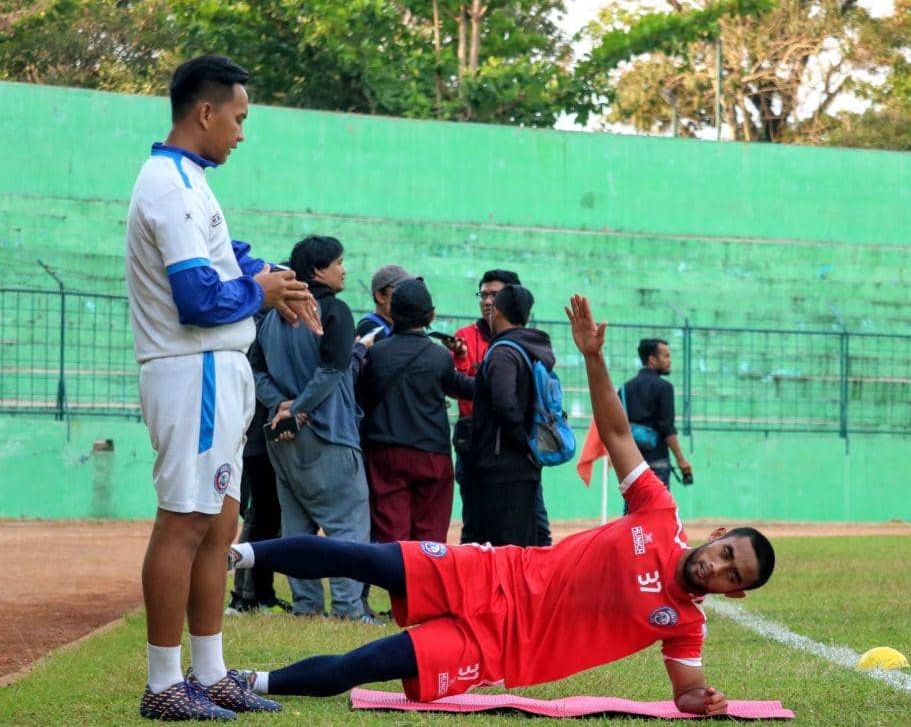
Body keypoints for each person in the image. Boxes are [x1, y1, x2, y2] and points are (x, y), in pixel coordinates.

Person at [226, 294, 775, 716]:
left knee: (366, 663)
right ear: (718, 533)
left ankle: (249, 682)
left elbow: (686, 691)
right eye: (727, 553)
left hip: (495, 645)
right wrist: (594, 357)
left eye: (732, 576)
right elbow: (615, 431)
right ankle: (238, 556)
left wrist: (701, 700)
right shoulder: (659, 515)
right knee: (361, 559)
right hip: (490, 572)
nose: (719, 568)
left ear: (737, 593)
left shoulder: (684, 625)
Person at [126, 55, 320, 720]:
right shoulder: (167, 185)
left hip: (220, 370)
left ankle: (208, 674)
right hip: (194, 368)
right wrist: (260, 291)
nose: (242, 131)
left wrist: (276, 280)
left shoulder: (192, 180)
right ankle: (163, 684)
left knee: (219, 525)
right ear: (204, 113)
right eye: (238, 118)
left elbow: (225, 258)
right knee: (185, 522)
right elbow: (196, 296)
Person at [249, 235, 373, 622]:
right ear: (320, 269)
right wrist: (299, 409)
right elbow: (333, 370)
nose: (344, 269)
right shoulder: (333, 309)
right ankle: (349, 610)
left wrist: (280, 406)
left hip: (281, 439)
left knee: (296, 527)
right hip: (329, 434)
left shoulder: (271, 316)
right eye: (339, 262)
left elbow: (255, 369)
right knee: (348, 525)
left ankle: (306, 607)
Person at [358, 279, 475, 543]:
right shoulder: (440, 356)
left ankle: (398, 584)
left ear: (392, 312)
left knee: (392, 536)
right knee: (430, 537)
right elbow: (461, 387)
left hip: (386, 453)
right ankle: (424, 584)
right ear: (430, 315)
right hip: (432, 454)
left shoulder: (375, 353)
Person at [451, 269, 552, 546]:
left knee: (495, 537)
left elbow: (504, 403)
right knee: (519, 532)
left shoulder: (504, 350)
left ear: (505, 306)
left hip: (502, 456)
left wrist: (523, 443)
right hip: (492, 448)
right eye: (483, 295)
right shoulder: (531, 345)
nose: (487, 302)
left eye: (495, 297)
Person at [225, 396, 291, 615]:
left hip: (259, 443)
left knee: (262, 519)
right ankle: (249, 597)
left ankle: (251, 596)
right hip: (261, 444)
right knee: (262, 519)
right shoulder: (256, 366)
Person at [620, 338, 693, 512]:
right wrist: (681, 460)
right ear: (652, 359)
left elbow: (618, 427)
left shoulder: (624, 388)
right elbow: (667, 427)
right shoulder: (664, 387)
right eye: (666, 356)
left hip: (631, 464)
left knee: (631, 514)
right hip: (657, 462)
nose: (669, 360)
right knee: (657, 513)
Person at [355, 264, 418, 342]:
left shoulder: (399, 327)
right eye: (400, 288)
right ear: (380, 296)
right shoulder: (371, 328)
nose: (406, 293)